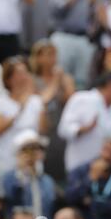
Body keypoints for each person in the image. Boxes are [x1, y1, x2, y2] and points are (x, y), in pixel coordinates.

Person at [0, 57, 46, 192]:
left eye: (25, 73)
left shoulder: (36, 101)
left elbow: (43, 129)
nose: (23, 77)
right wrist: (21, 106)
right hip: (8, 160)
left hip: (32, 160)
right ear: (8, 79)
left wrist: (39, 101)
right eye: (18, 73)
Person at [49, 0, 105, 89]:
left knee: (82, 82)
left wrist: (95, 1)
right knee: (59, 77)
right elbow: (54, 10)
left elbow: (104, 20)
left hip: (86, 39)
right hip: (63, 35)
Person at [58, 72, 111, 173]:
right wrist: (84, 129)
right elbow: (63, 129)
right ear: (110, 85)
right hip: (78, 168)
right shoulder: (81, 98)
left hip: (104, 170)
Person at [29, 39, 75, 184]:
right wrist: (55, 81)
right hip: (41, 129)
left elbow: (72, 101)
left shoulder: (64, 78)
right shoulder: (32, 80)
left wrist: (64, 83)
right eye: (48, 55)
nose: (52, 59)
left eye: (54, 54)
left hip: (60, 129)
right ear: (38, 58)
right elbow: (42, 100)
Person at [2, 129, 56, 219]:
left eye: (36, 149)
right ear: (18, 154)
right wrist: (23, 172)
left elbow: (49, 210)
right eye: (26, 150)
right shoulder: (9, 178)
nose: (32, 154)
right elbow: (12, 199)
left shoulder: (47, 180)